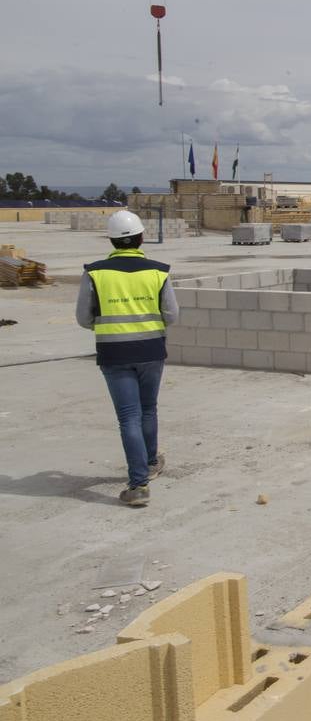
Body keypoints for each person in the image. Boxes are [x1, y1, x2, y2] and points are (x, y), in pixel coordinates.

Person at [75, 210, 179, 507]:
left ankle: (139, 485)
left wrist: (108, 325)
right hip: (150, 350)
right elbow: (171, 314)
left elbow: (84, 317)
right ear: (141, 237)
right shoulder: (158, 271)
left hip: (114, 352)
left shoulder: (95, 273)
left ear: (111, 240)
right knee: (148, 409)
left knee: (128, 417)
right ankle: (148, 462)